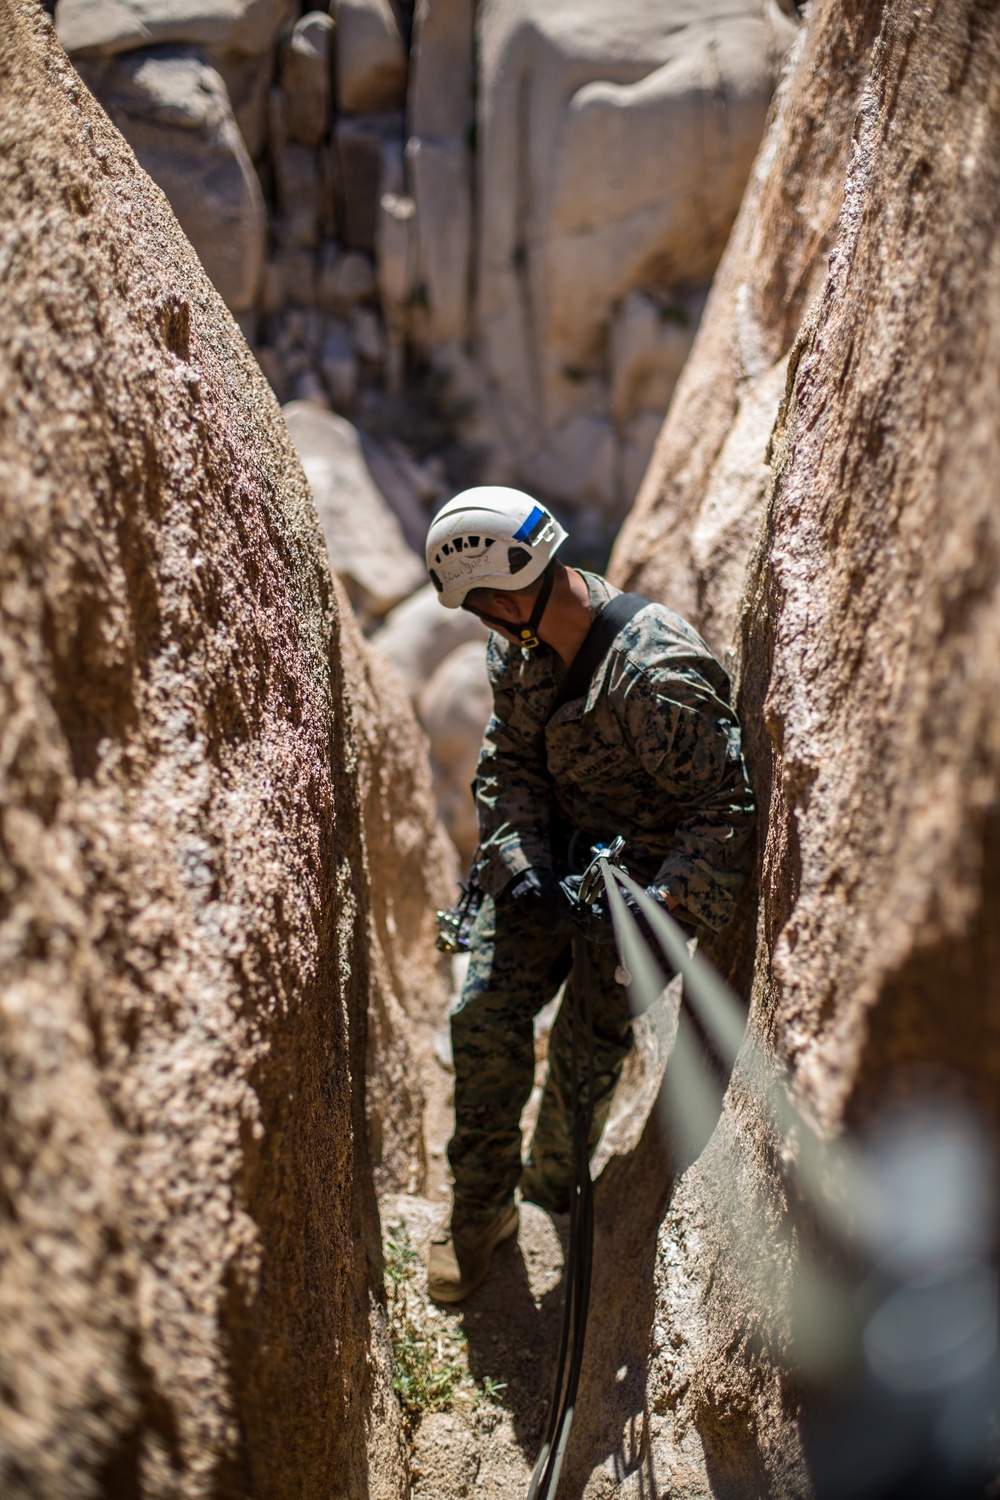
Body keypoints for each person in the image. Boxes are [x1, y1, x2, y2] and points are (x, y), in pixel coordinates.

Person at [424, 486, 755, 1303]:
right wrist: (520, 860)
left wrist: (648, 907)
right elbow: (510, 764)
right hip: (555, 864)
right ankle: (480, 1213)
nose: (484, 624)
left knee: (587, 1049)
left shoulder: (654, 670)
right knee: (485, 1015)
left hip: (643, 892)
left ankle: (549, 1189)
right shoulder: (521, 650)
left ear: (506, 595)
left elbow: (725, 812)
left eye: (481, 607)